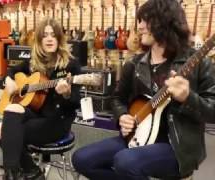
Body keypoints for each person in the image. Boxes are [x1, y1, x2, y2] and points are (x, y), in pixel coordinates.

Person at [72, 0, 215, 179]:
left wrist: (188, 98)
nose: (139, 27)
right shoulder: (134, 63)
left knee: (125, 162)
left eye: (146, 20)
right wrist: (122, 115)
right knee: (81, 159)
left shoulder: (199, 63)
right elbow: (118, 98)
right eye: (139, 21)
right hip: (137, 136)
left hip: (177, 147)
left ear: (166, 21)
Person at [0, 17, 81, 180]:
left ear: (59, 39)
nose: (49, 39)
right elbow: (12, 71)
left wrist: (66, 94)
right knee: (8, 114)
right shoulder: (33, 62)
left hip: (57, 121)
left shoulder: (71, 65)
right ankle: (27, 171)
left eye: (53, 35)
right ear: (39, 40)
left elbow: (76, 101)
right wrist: (9, 80)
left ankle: (17, 173)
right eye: (45, 35)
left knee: (2, 131)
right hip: (36, 114)